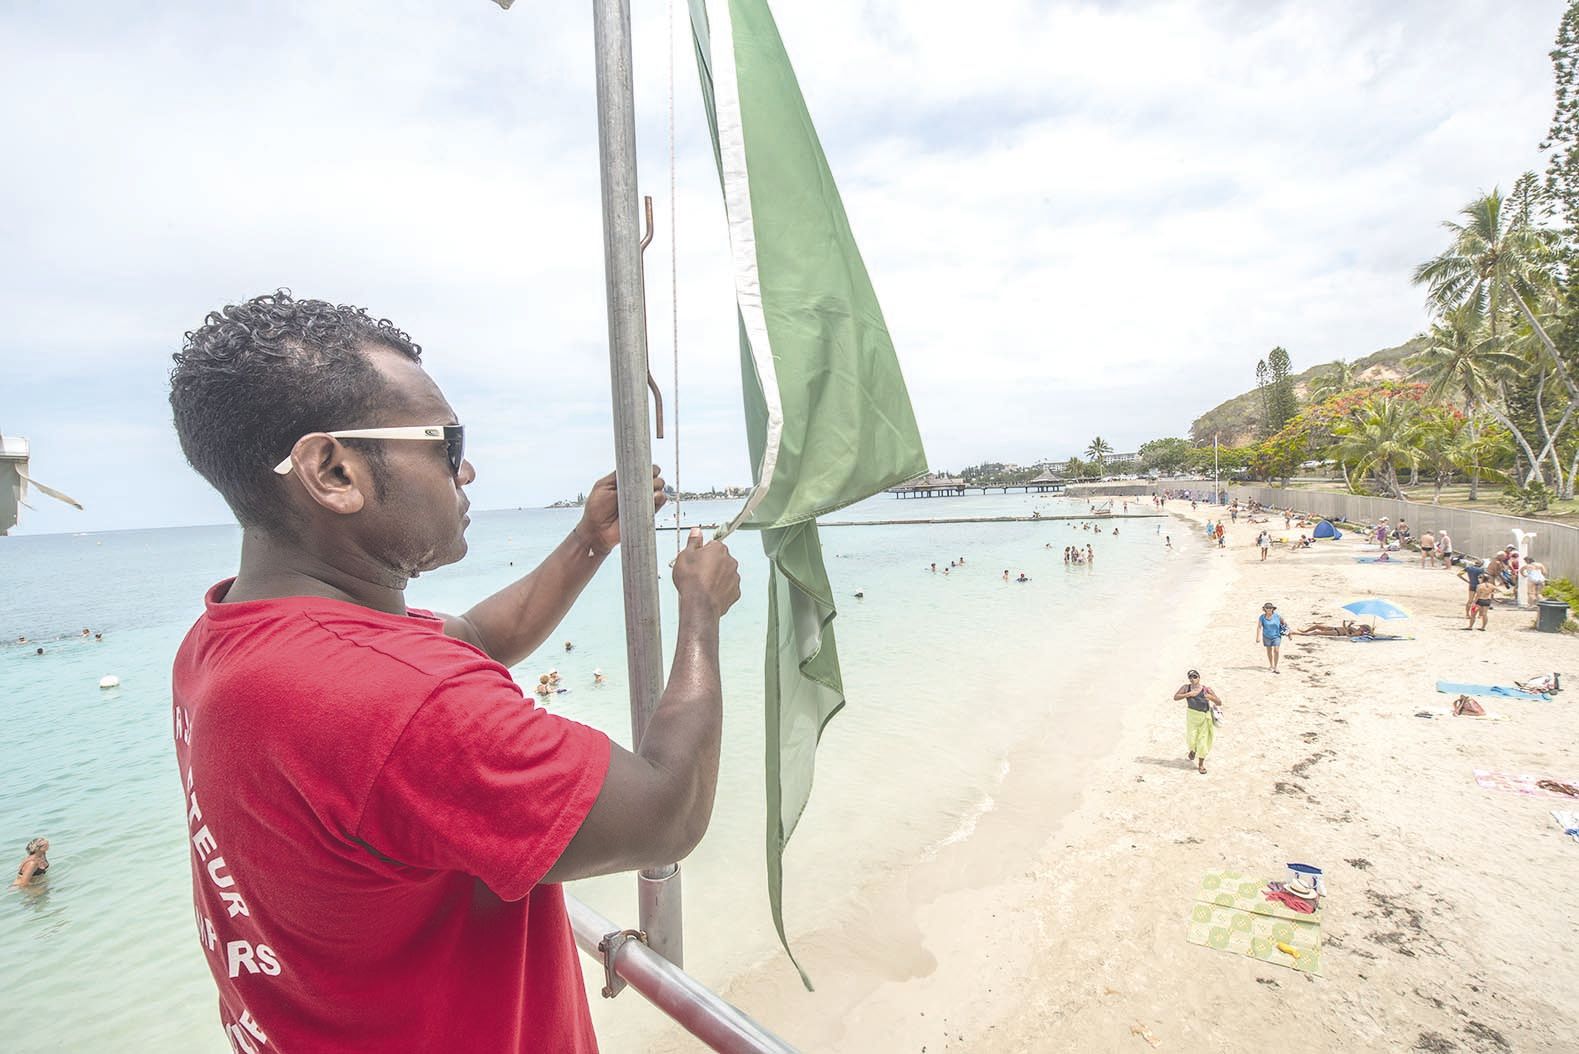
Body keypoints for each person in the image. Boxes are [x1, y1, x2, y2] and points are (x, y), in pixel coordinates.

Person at [166, 292, 743, 1051]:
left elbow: (471, 636)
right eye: (444, 443)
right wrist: (700, 613)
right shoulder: (397, 699)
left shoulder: (227, 640)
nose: (465, 468)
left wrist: (587, 542)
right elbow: (666, 814)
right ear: (332, 470)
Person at [1172, 670, 1222, 775]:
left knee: (1203, 741)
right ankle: (1193, 750)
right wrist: (1188, 694)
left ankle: (1201, 765)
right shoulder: (1186, 688)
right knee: (1191, 737)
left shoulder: (1206, 689)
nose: (1192, 678)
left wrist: (1210, 697)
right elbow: (1175, 697)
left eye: (1195, 676)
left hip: (1204, 717)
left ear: (1199, 677)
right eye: (1190, 677)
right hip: (1192, 716)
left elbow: (1219, 702)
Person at [1256, 602, 1288, 673]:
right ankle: (1271, 665)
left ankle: (1276, 667)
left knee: (1276, 650)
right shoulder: (1262, 617)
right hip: (1266, 636)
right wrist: (1258, 637)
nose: (1269, 609)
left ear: (1273, 609)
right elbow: (1259, 627)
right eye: (1267, 608)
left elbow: (1284, 623)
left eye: (1270, 608)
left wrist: (1288, 633)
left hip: (1276, 636)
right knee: (1269, 651)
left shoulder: (1277, 616)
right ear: (1264, 609)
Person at [1290, 620, 1369, 637]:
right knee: (1317, 626)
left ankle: (1298, 633)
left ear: (1363, 629)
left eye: (1361, 627)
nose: (1359, 626)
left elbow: (1348, 635)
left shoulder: (1358, 633)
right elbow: (1348, 628)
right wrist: (1348, 624)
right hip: (1334, 628)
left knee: (1316, 632)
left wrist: (1345, 627)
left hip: (1336, 632)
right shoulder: (1357, 630)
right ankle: (1304, 631)